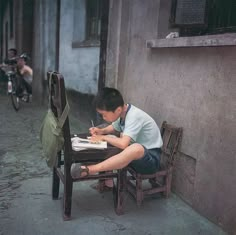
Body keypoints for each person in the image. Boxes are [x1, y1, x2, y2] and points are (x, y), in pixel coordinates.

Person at [71, 87, 163, 182]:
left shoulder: (134, 116)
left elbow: (123, 144)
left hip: (150, 160)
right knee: (112, 138)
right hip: (134, 158)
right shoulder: (123, 113)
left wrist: (103, 137)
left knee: (135, 147)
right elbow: (113, 127)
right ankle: (107, 182)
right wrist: (100, 131)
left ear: (118, 110)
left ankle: (90, 169)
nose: (103, 117)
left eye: (104, 114)